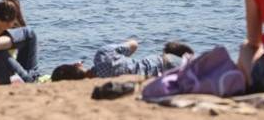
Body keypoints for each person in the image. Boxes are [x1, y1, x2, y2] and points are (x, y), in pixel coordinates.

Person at [50, 40, 193, 81]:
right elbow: (134, 44)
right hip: (161, 63)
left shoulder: (100, 86)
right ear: (77, 64)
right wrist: (122, 60)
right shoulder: (102, 56)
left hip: (159, 78)